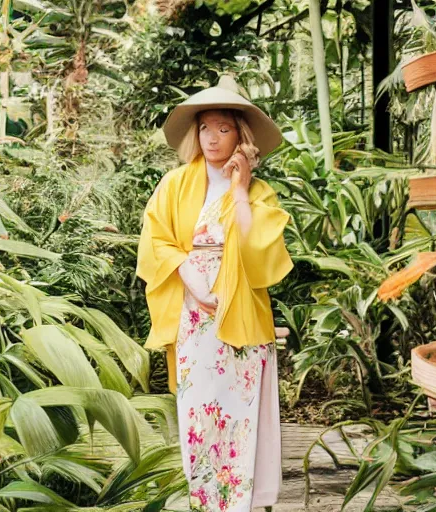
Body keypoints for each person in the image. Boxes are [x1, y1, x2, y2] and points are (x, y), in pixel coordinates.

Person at [137, 75, 293, 511]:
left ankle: (238, 503)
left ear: (240, 135)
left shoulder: (259, 192)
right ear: (195, 132)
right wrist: (189, 274)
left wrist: (240, 191)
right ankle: (205, 501)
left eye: (223, 128)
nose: (212, 137)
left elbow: (256, 250)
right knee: (199, 409)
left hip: (240, 312)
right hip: (193, 311)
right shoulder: (174, 184)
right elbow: (156, 240)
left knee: (239, 411)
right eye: (205, 127)